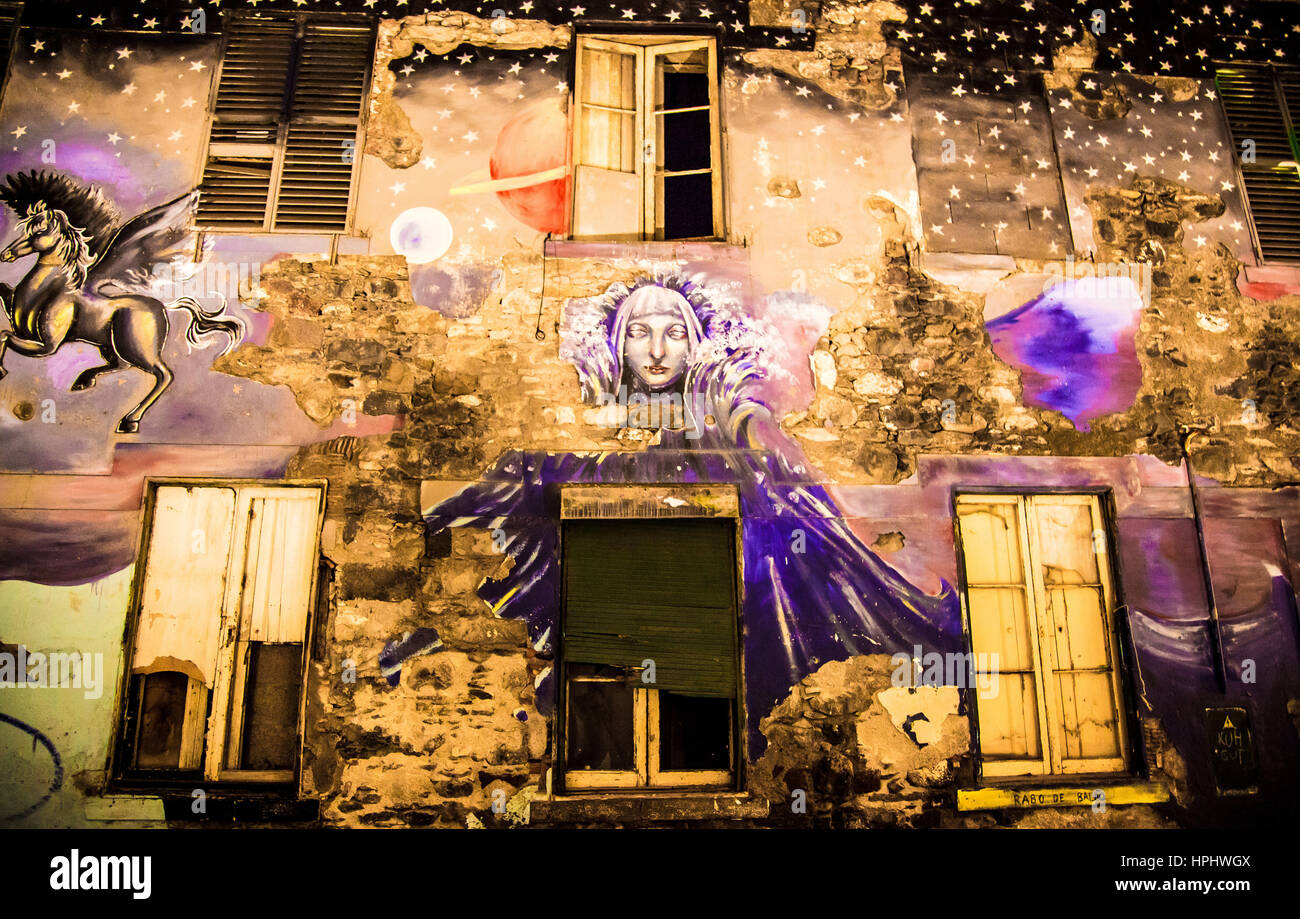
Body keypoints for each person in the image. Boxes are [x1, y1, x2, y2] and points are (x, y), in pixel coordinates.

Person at [425, 275, 962, 757]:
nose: (657, 349)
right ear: (616, 341)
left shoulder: (719, 406)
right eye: (639, 331)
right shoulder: (580, 423)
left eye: (674, 332)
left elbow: (751, 415)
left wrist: (760, 435)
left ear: (695, 342)